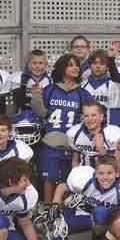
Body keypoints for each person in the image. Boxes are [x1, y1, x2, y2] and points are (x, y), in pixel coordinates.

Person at [30, 54, 93, 201]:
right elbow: (41, 113)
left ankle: (61, 213)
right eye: (71, 65)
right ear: (62, 67)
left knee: (68, 181)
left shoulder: (83, 93)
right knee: (48, 179)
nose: (76, 68)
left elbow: (89, 119)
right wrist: (36, 97)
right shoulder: (50, 90)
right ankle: (46, 211)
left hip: (72, 145)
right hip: (50, 141)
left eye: (77, 65)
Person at [52, 154, 120, 238]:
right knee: (59, 225)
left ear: (117, 173)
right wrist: (55, 204)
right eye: (101, 173)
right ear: (95, 174)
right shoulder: (85, 180)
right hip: (86, 213)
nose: (105, 177)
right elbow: (62, 187)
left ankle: (104, 237)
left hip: (110, 222)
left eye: (109, 173)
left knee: (100, 212)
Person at [66, 101, 120, 168]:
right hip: (84, 174)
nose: (90, 119)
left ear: (101, 117)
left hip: (105, 175)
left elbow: (115, 167)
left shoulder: (112, 133)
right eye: (86, 116)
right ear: (82, 118)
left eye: (93, 115)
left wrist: (101, 149)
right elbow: (75, 161)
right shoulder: (75, 133)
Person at [0, 49, 52, 114]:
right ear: (28, 64)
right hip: (20, 120)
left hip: (42, 118)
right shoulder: (15, 78)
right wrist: (10, 117)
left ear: (46, 65)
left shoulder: (51, 81)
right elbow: (6, 101)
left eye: (40, 63)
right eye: (34, 63)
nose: (37, 66)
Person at [81, 49, 120, 126]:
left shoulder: (112, 86)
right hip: (85, 129)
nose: (98, 66)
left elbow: (115, 114)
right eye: (95, 63)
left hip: (105, 129)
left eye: (102, 63)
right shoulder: (83, 85)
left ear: (107, 66)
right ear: (89, 65)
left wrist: (110, 134)